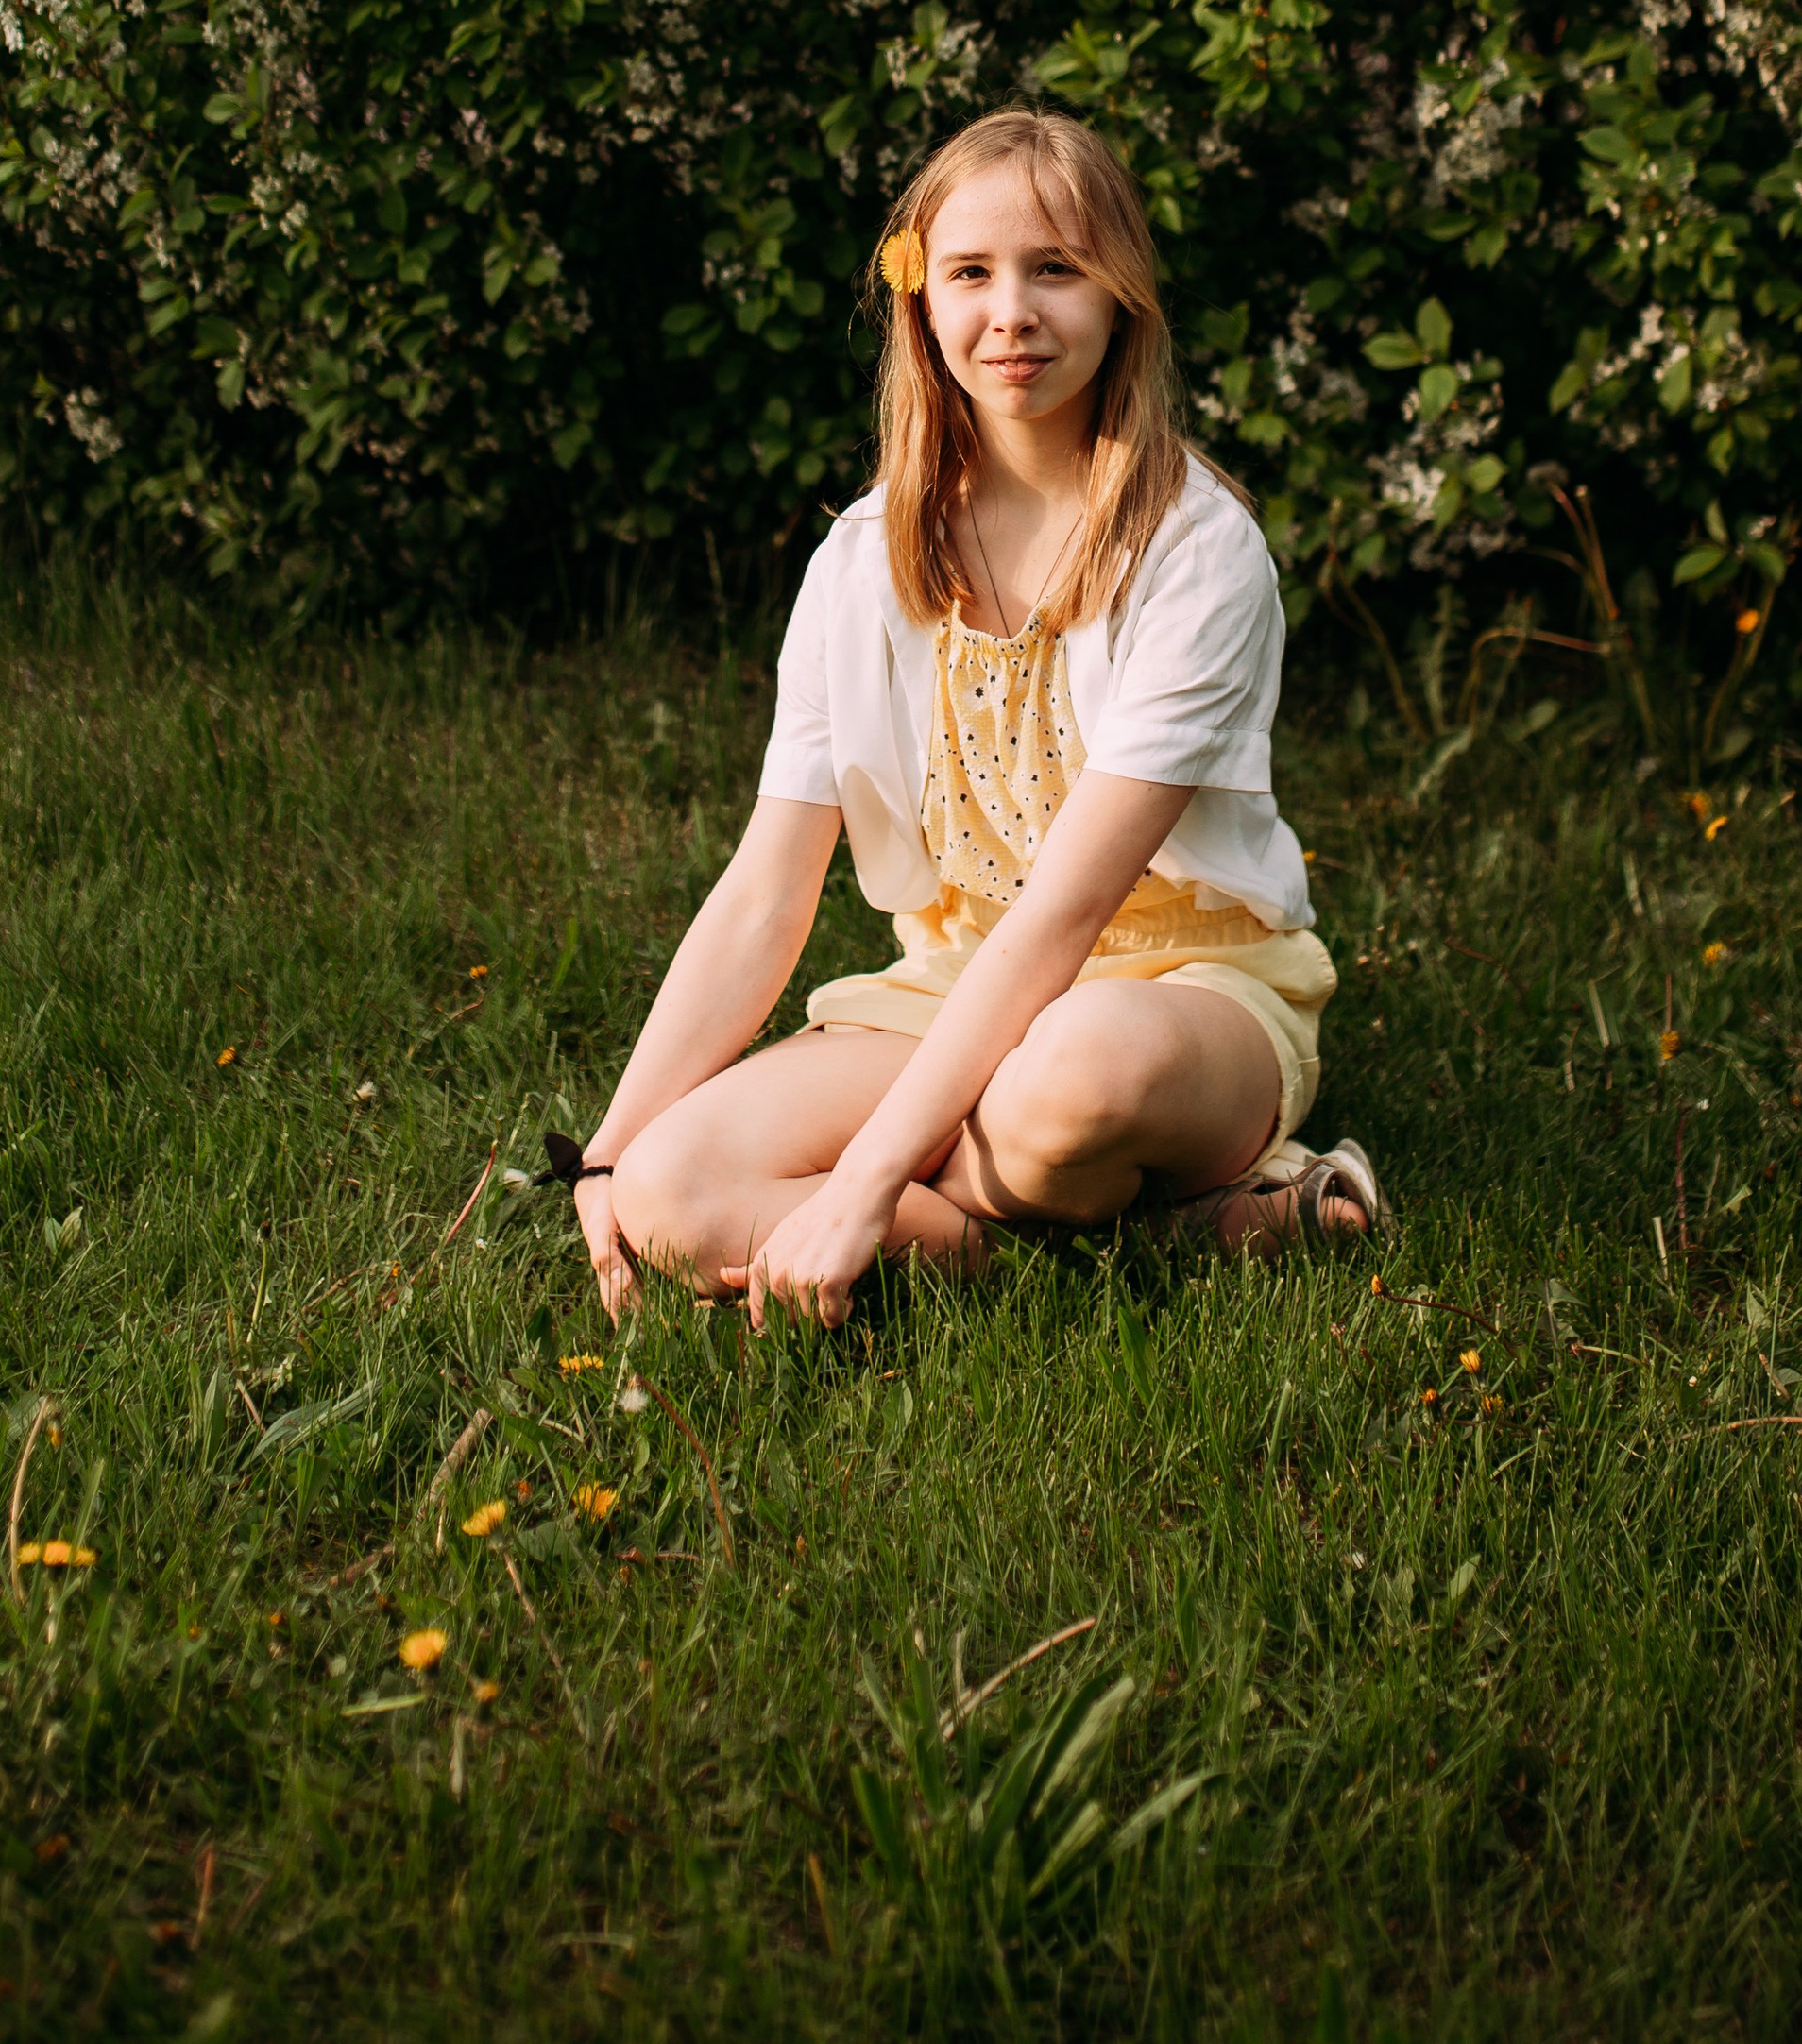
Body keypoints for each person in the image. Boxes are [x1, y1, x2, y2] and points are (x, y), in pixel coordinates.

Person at [568, 108, 1382, 1326]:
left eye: (1056, 267)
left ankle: (972, 1208)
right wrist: (610, 1151)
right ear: (923, 303)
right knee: (673, 1190)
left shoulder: (1198, 550)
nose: (1012, 311)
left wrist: (861, 1186)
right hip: (949, 992)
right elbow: (768, 886)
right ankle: (1165, 1243)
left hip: (1178, 993)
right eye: (971, 272)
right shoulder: (860, 560)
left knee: (1069, 1077)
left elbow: (1066, 915)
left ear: (1122, 297)